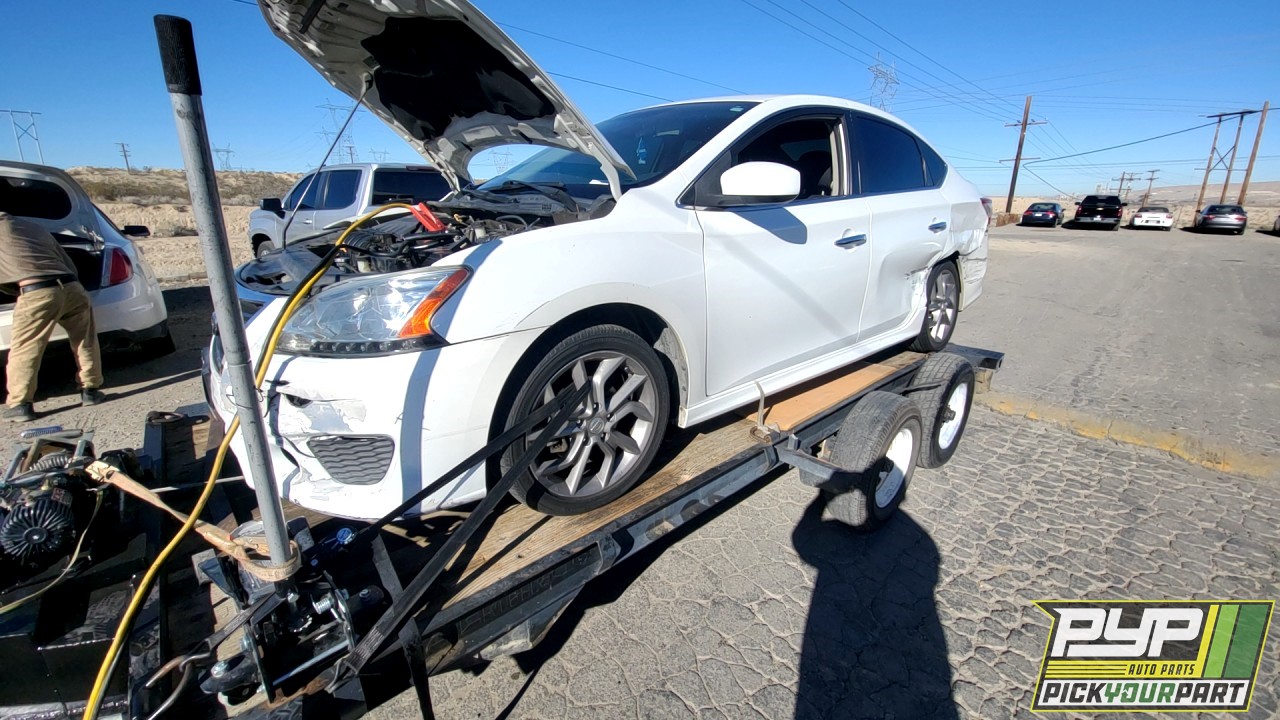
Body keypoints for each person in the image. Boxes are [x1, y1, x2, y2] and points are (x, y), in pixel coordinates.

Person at [0, 211, 105, 422]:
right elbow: (69, 264)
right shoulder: (33, 226)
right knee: (85, 340)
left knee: (26, 347)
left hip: (37, 292)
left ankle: (20, 404)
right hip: (71, 287)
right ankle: (91, 391)